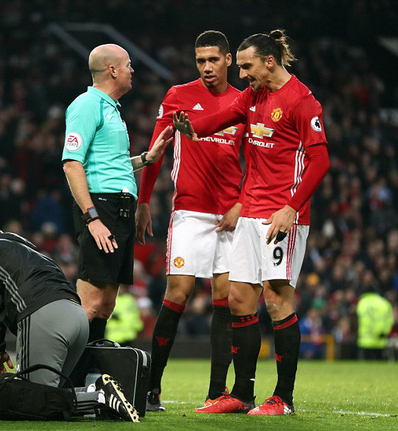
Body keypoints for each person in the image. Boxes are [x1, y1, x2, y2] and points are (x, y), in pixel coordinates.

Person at [173, 29, 330, 415]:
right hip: (250, 211)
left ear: (269, 61)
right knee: (239, 299)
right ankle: (242, 394)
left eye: (246, 66)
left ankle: (285, 399)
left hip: (283, 216)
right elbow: (223, 116)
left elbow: (320, 161)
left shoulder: (302, 101)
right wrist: (192, 127)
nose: (241, 74)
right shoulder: (255, 95)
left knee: (276, 301)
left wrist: (292, 206)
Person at [136, 30, 245, 412]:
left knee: (227, 300)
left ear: (228, 60)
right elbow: (157, 148)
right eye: (200, 60)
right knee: (178, 292)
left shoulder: (241, 101)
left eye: (213, 59)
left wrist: (242, 205)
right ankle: (152, 389)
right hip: (190, 212)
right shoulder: (178, 96)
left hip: (232, 215)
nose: (207, 67)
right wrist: (144, 201)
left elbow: (258, 163)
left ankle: (216, 393)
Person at [62, 43, 174, 347]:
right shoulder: (86, 105)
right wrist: (92, 218)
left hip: (120, 209)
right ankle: (69, 380)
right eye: (127, 65)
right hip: (101, 207)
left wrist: (147, 159)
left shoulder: (111, 109)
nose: (132, 70)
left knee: (107, 304)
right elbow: (72, 164)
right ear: (112, 70)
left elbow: (114, 165)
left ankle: (89, 374)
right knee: (89, 304)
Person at [0, 228, 139, 422]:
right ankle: (104, 399)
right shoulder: (34, 253)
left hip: (46, 318)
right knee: (52, 395)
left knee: (29, 399)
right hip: (78, 317)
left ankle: (99, 396)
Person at [356, 289, 394, 360]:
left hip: (365, 341)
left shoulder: (362, 302)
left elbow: (359, 319)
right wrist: (385, 332)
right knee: (381, 367)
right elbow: (389, 320)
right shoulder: (385, 303)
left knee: (364, 367)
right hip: (381, 340)